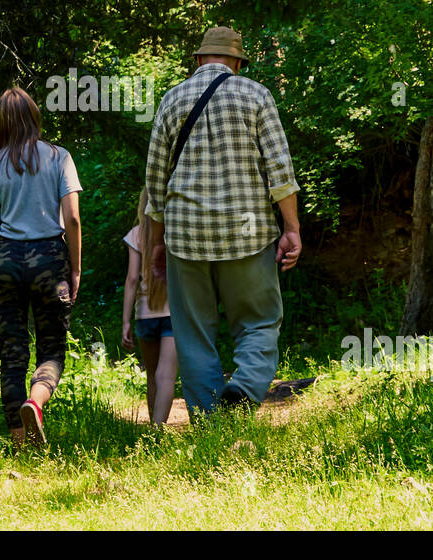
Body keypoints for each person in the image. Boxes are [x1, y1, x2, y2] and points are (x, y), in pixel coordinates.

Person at [144, 26, 301, 416]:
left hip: (186, 235)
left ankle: (210, 421)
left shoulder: (171, 99)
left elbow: (155, 182)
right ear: (236, 62)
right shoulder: (255, 94)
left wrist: (158, 242)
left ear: (199, 60)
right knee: (260, 321)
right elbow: (280, 171)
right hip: (247, 234)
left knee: (194, 335)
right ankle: (245, 387)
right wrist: (292, 228)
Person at [0, 87, 83, 447]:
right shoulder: (59, 157)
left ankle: (20, 443)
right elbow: (73, 220)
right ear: (34, 117)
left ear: (1, 123)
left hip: (6, 261)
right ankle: (35, 403)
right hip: (50, 261)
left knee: (12, 354)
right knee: (51, 350)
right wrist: (76, 269)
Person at [120, 189, 178, 426]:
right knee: (166, 376)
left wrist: (125, 321)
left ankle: (153, 432)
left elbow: (132, 279)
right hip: (174, 313)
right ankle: (157, 429)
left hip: (144, 315)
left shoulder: (136, 235)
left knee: (152, 376)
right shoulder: (175, 232)